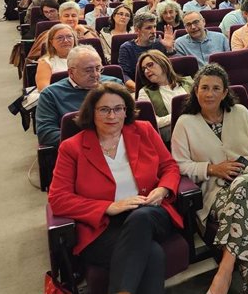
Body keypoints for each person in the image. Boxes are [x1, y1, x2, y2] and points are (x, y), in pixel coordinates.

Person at [48, 82, 183, 294]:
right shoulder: (72, 147)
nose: (112, 116)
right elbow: (58, 199)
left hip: (150, 211)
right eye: (104, 109)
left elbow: (169, 167)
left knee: (141, 218)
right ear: (91, 112)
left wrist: (163, 189)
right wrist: (108, 207)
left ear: (126, 111)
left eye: (118, 108)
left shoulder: (144, 130)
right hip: (102, 227)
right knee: (152, 254)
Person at [172, 64, 248, 294]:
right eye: (204, 88)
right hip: (216, 193)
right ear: (195, 91)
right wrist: (212, 169)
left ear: (225, 93)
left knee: (245, 187)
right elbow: (179, 165)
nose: (209, 93)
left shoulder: (241, 112)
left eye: (216, 88)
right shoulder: (185, 123)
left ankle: (224, 269)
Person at [36, 46, 123, 147]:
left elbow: (132, 117)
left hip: (119, 143)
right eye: (88, 70)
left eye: (98, 68)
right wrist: (93, 140)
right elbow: (46, 134)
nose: (95, 74)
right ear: (71, 72)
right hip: (78, 150)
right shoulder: (51, 94)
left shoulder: (115, 84)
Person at [136, 50, 194, 139]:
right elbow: (153, 122)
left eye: (150, 65)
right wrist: (179, 114)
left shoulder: (188, 82)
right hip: (174, 133)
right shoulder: (145, 92)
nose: (147, 71)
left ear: (163, 62)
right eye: (144, 69)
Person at [119, 12, 175, 92]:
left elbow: (171, 69)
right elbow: (124, 75)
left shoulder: (160, 43)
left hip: (164, 86)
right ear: (137, 30)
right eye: (148, 28)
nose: (153, 31)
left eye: (154, 27)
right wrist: (140, 90)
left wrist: (169, 49)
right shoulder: (127, 48)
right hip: (139, 89)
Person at [35, 24, 77, 91]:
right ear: (51, 42)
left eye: (69, 36)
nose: (66, 40)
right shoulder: (46, 63)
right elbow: (44, 89)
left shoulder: (84, 58)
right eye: (60, 38)